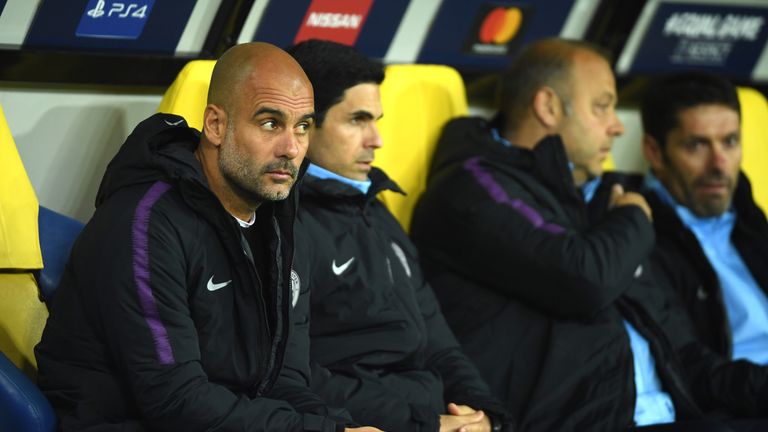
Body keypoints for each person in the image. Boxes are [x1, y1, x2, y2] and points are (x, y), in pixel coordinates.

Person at [411, 38, 768, 431]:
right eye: (602, 106)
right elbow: (583, 278)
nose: (616, 127)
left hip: (672, 416)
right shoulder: (471, 186)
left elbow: (686, 357)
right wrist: (633, 216)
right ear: (547, 107)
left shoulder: (597, 198)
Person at [34, 42, 382, 432]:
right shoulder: (145, 224)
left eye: (303, 126)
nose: (292, 148)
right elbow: (174, 399)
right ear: (216, 125)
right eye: (270, 123)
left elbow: (283, 380)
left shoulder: (280, 220)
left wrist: (341, 426)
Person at [287, 39, 512, 432]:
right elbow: (296, 376)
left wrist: (482, 414)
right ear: (306, 125)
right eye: (357, 120)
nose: (376, 140)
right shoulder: (282, 223)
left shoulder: (376, 207)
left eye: (376, 120)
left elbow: (439, 342)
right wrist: (423, 423)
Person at [641, 72, 768, 365]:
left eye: (730, 141)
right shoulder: (640, 236)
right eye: (697, 145)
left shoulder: (747, 213)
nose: (719, 164)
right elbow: (693, 371)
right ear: (655, 152)